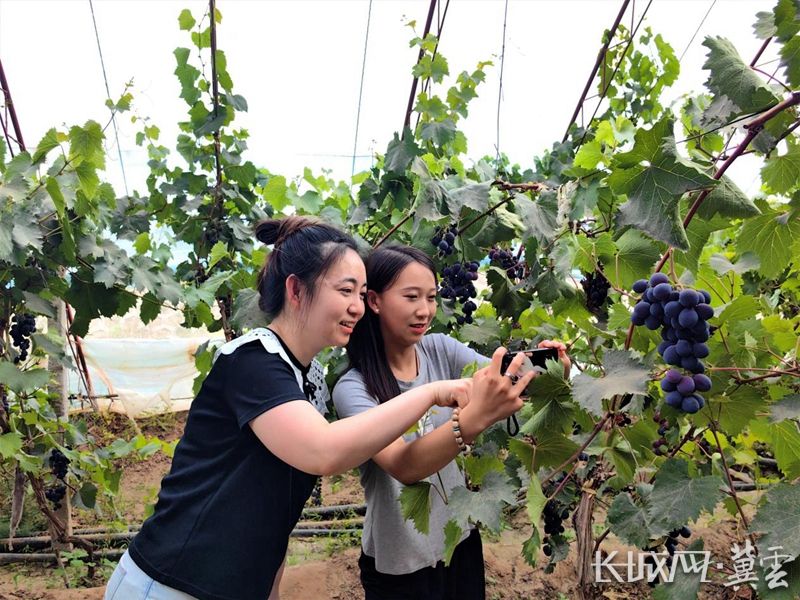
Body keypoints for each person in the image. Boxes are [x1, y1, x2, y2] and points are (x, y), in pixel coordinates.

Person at [103, 217, 534, 600]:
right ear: (295, 289)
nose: (356, 307)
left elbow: (276, 507)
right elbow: (324, 452)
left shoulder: (303, 381)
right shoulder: (252, 362)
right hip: (169, 584)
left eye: (362, 293)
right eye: (346, 290)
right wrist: (431, 393)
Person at [333, 244, 570, 600]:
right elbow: (403, 466)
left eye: (430, 297)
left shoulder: (440, 349)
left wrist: (548, 369)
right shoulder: (353, 389)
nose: (424, 310)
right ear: (375, 301)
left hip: (458, 538)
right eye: (411, 296)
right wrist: (471, 421)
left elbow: (499, 377)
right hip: (400, 562)